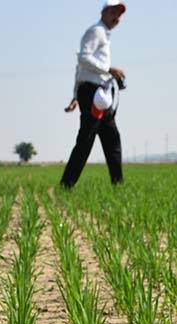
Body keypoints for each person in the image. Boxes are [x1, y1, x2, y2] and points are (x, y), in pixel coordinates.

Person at [59, 0, 127, 189]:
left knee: (112, 139)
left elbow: (81, 67)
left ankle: (118, 186)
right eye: (113, 12)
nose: (116, 17)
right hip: (92, 93)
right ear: (104, 12)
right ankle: (66, 185)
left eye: (119, 14)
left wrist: (75, 95)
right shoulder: (96, 31)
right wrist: (109, 69)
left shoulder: (104, 34)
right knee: (86, 140)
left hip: (100, 94)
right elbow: (83, 58)